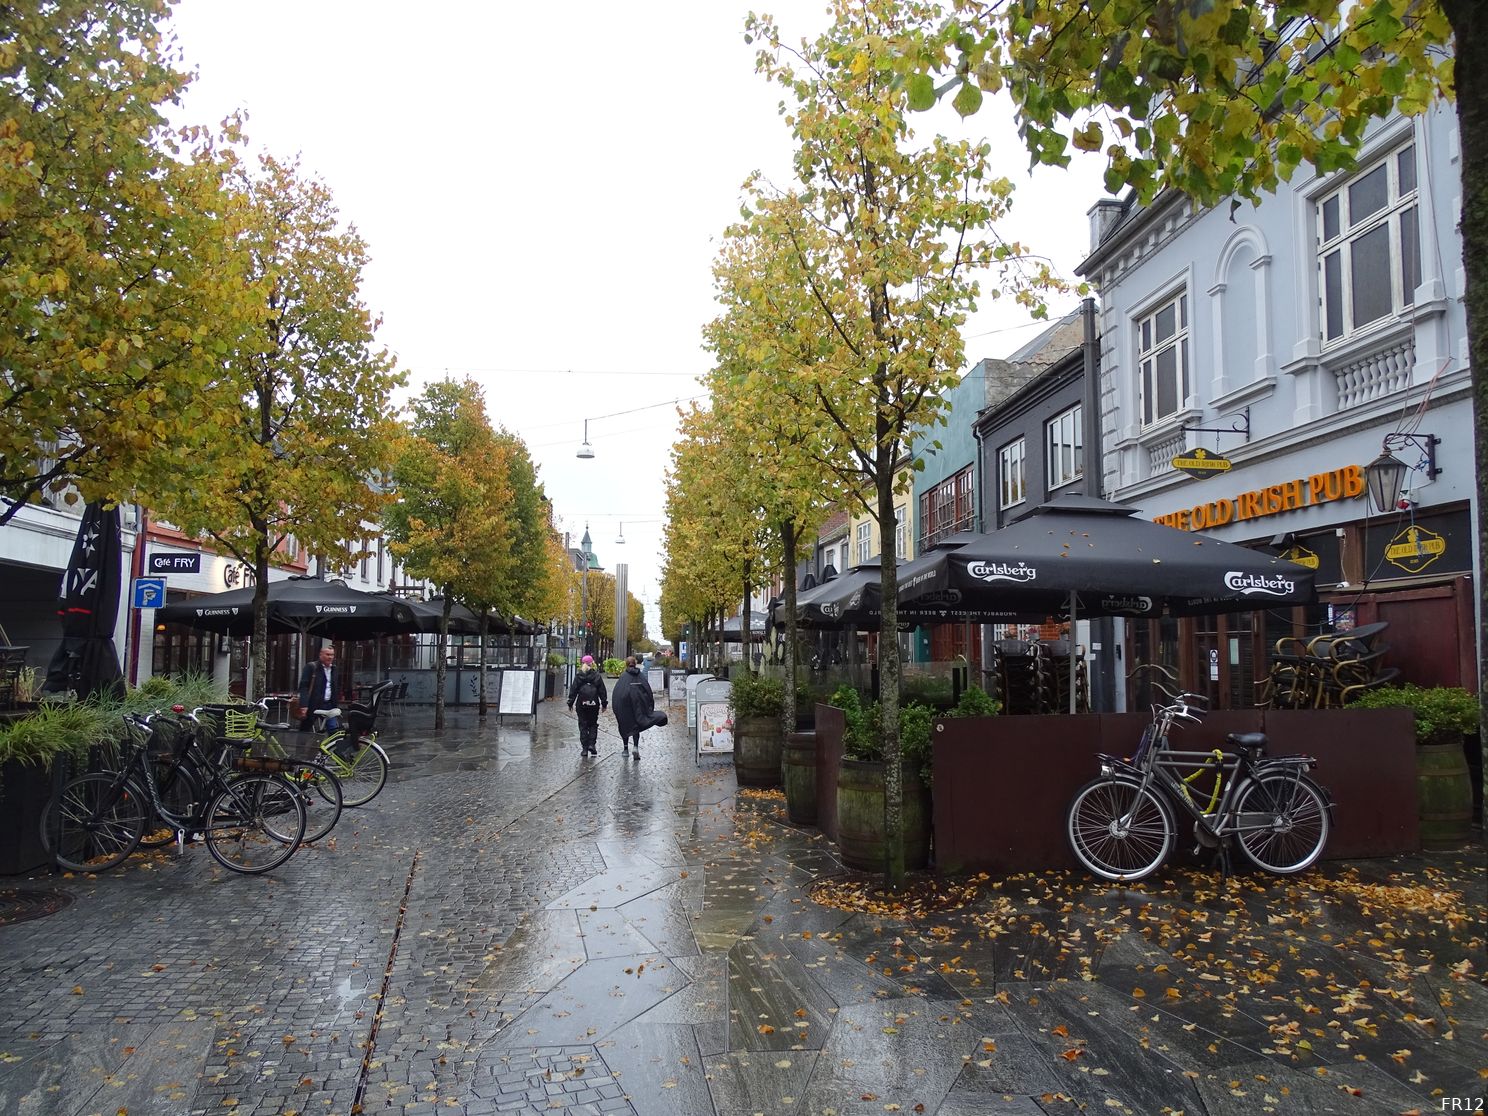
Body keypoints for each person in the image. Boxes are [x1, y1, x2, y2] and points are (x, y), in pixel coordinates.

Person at [612, 654, 655, 757]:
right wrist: (649, 705)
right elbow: (647, 690)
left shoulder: (623, 677)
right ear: (635, 664)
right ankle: (635, 746)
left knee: (624, 726)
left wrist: (616, 707)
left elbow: (617, 693)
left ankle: (625, 749)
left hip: (624, 706)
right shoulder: (640, 676)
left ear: (626, 664)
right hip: (637, 706)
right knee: (636, 725)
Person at [297, 645, 346, 732]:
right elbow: (303, 687)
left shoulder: (334, 669)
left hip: (329, 705)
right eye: (327, 654)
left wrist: (336, 701)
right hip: (313, 704)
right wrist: (304, 705)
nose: (330, 657)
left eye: (332, 655)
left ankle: (332, 745)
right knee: (305, 731)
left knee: (334, 730)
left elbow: (334, 686)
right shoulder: (312, 667)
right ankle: (301, 745)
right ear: (321, 655)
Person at [566, 655, 608, 756]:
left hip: (582, 704)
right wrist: (604, 703)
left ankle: (584, 749)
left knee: (583, 725)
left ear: (582, 664)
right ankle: (592, 745)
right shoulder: (597, 676)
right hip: (594, 704)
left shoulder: (579, 676)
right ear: (592, 663)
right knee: (593, 724)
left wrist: (570, 703)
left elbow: (574, 690)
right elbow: (602, 691)